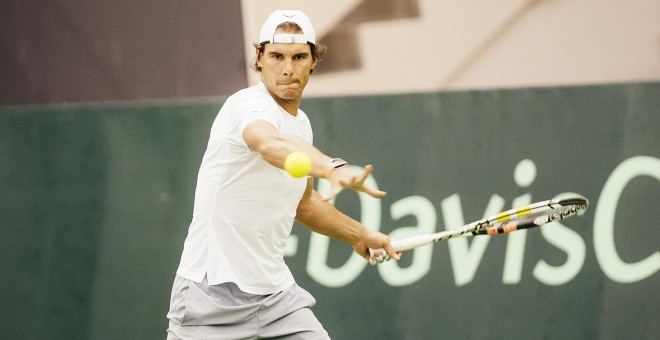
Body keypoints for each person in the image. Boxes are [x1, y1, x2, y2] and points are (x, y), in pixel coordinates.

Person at [166, 9, 400, 339]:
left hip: (276, 299)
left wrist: (359, 235)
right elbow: (269, 142)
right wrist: (330, 167)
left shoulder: (301, 125)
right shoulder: (245, 106)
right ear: (259, 57)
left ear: (313, 60)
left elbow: (304, 205)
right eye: (276, 56)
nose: (288, 68)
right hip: (211, 299)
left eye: (298, 57)